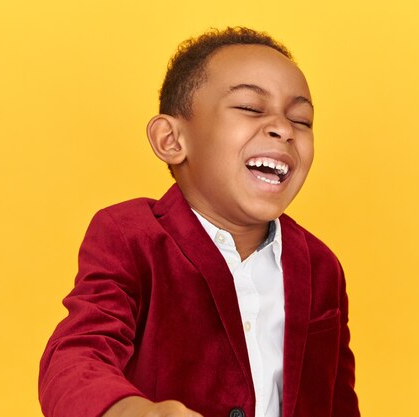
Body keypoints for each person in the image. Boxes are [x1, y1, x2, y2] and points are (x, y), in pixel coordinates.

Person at [39, 27, 360, 417]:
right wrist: (131, 411)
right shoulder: (129, 235)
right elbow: (78, 354)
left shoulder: (321, 265)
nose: (284, 129)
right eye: (250, 108)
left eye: (302, 119)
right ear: (171, 140)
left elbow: (338, 400)